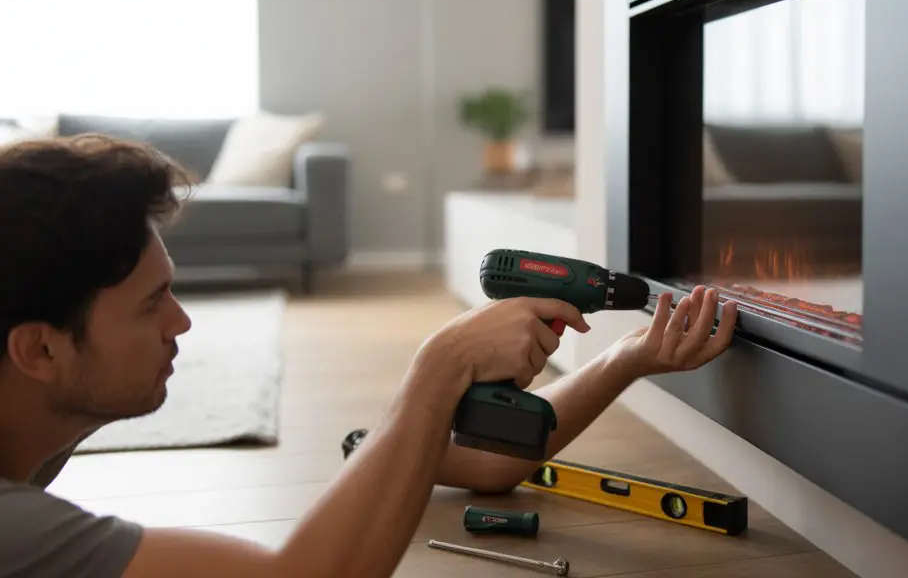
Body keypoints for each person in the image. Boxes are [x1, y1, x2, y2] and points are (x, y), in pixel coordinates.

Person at [0, 133, 738, 577]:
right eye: (150, 303)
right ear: (38, 348)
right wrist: (440, 365)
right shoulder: (17, 530)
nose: (183, 322)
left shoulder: (29, 429)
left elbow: (488, 467)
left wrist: (628, 356)